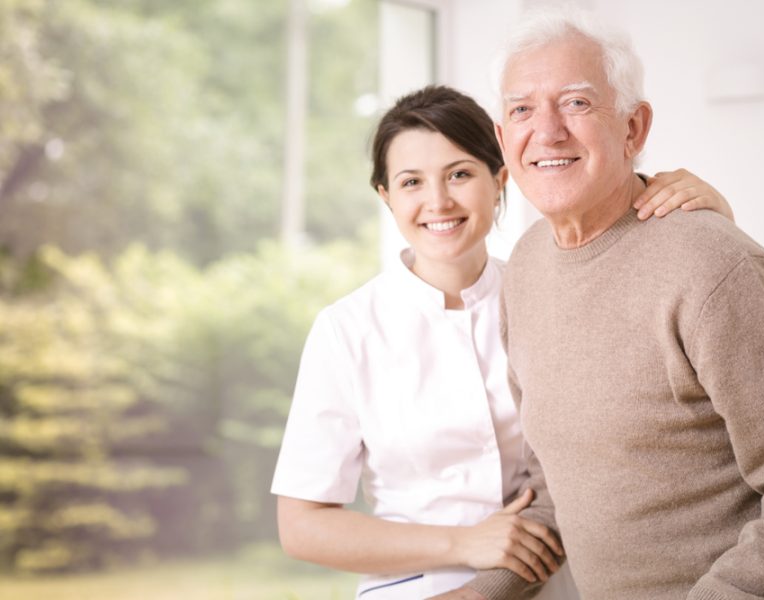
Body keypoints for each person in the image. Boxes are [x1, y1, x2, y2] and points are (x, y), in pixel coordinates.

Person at [444, 9, 764, 600]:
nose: (546, 131)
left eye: (576, 103)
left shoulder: (711, 265)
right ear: (503, 140)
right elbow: (559, 483)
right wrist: (482, 592)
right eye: (522, 109)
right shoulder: (524, 268)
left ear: (633, 128)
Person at [270, 85, 736, 599]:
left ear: (499, 180)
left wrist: (713, 215)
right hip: (417, 586)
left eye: (460, 174)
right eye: (410, 183)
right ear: (386, 197)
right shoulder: (347, 330)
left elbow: (657, 320)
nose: (438, 202)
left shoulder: (547, 291)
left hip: (556, 577)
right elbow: (301, 525)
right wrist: (465, 544)